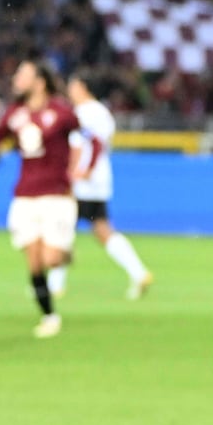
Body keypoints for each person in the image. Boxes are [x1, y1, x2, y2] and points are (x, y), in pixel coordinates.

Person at [0, 59, 82, 339]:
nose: (16, 79)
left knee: (52, 258)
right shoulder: (15, 113)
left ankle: (65, 252)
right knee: (35, 263)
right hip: (25, 195)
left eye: (22, 74)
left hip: (56, 195)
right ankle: (50, 315)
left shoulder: (62, 113)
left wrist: (75, 170)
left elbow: (82, 139)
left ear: (39, 81)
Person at [43, 70, 154, 300]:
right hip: (99, 182)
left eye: (73, 86)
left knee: (62, 226)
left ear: (83, 87)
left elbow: (88, 144)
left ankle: (54, 285)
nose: (70, 91)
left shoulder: (83, 113)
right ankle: (138, 272)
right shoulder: (103, 113)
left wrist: (78, 171)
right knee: (101, 228)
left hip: (82, 181)